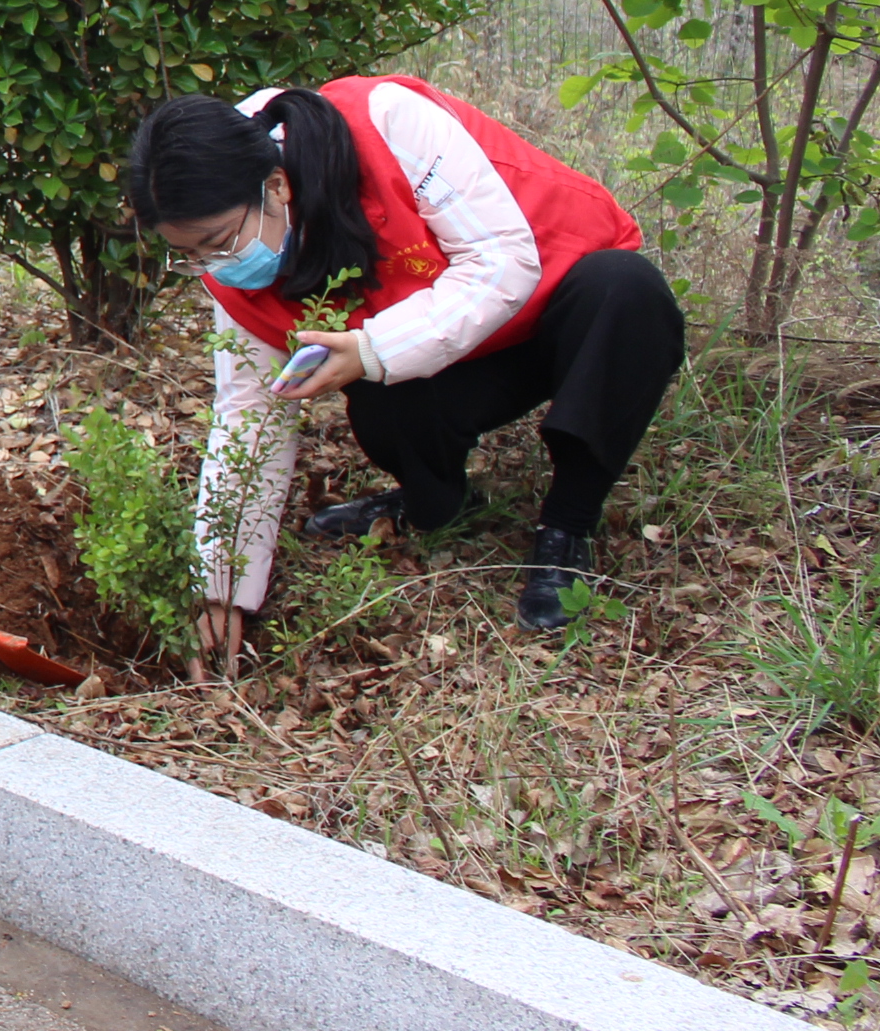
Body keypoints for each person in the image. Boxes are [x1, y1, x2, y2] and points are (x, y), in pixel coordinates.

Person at [123, 81, 685, 659]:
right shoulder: (233, 260)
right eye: (189, 255)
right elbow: (251, 411)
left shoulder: (389, 126)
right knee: (373, 383)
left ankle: (566, 526)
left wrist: (372, 349)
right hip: (446, 356)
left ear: (276, 185)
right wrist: (221, 589)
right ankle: (430, 502)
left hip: (553, 320)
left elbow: (503, 263)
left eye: (217, 243)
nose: (212, 266)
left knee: (628, 292)